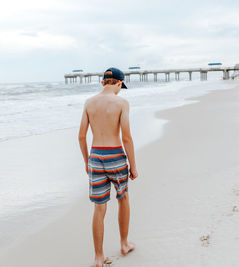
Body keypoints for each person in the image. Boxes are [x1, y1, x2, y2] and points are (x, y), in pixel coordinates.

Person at [78, 67, 138, 267]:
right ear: (120, 83)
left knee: (99, 208)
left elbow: (81, 136)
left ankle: (98, 257)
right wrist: (133, 166)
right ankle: (123, 243)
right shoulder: (121, 102)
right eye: (122, 86)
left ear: (103, 82)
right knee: (123, 198)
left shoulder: (89, 103)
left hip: (95, 156)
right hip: (115, 156)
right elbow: (126, 137)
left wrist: (87, 161)